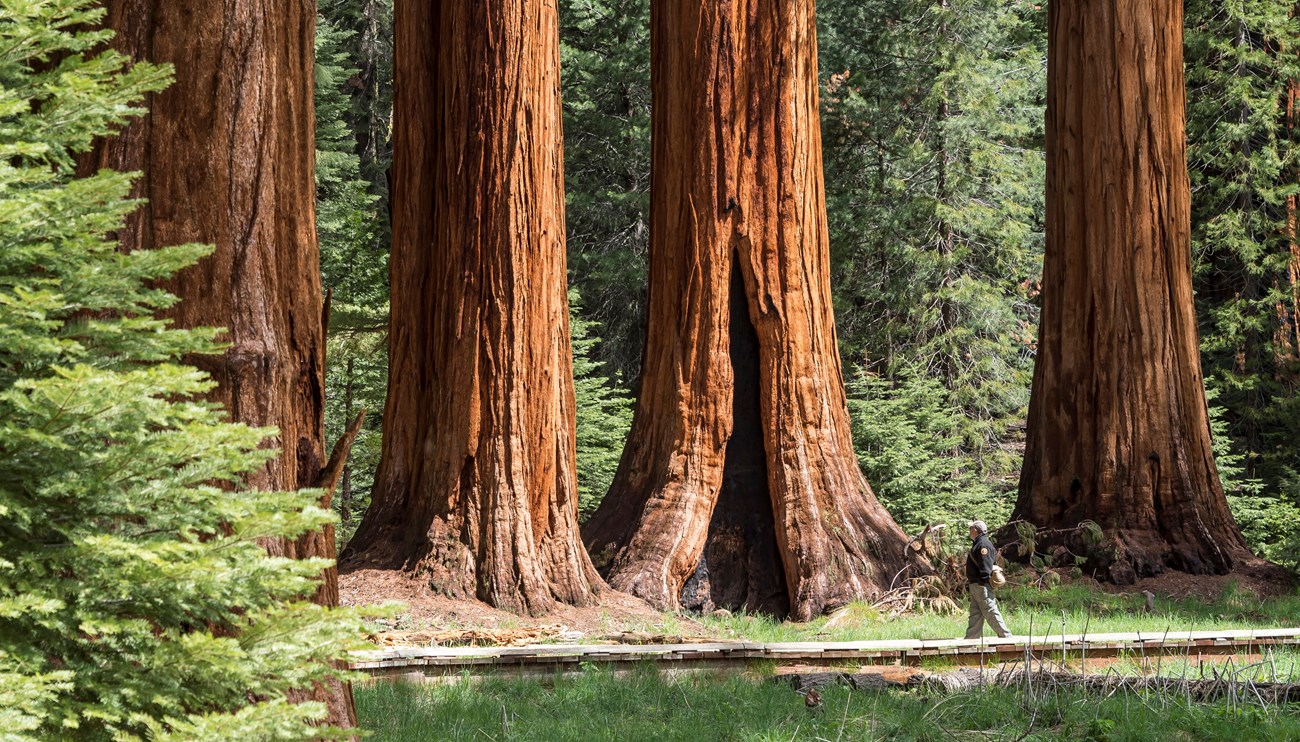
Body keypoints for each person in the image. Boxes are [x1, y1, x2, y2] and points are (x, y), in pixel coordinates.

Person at [964, 520, 1011, 640]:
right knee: (975, 614)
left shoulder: (983, 545)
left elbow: (986, 567)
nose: (969, 531)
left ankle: (1006, 637)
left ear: (975, 530)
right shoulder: (979, 543)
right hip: (976, 585)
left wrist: (981, 583)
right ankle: (971, 639)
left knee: (990, 611)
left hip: (981, 585)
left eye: (971, 528)